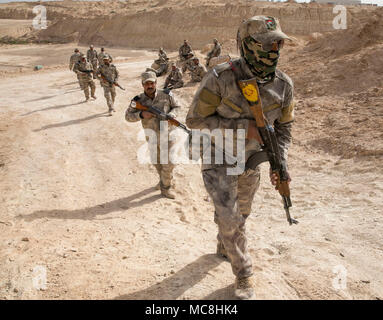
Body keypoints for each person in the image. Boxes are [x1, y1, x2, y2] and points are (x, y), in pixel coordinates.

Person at [185, 16, 295, 299]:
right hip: (218, 157)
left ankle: (225, 238)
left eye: (278, 43)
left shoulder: (283, 85)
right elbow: (195, 120)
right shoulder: (219, 77)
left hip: (250, 162)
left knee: (241, 214)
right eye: (268, 44)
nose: (275, 50)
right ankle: (244, 273)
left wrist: (278, 161)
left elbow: (284, 128)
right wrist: (242, 128)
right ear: (248, 45)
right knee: (231, 217)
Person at [125, 70, 181, 199]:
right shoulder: (138, 100)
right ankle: (163, 180)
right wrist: (141, 114)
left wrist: (172, 114)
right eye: (146, 84)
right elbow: (127, 117)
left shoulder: (167, 95)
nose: (149, 86)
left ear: (156, 83)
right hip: (152, 137)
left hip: (168, 134)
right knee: (157, 162)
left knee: (170, 161)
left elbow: (177, 107)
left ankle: (166, 188)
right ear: (142, 85)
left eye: (152, 83)